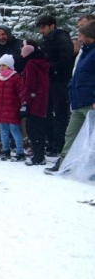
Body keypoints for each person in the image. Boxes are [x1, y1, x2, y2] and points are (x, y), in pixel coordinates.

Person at [46, 21, 95, 174]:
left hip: (91, 103)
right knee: (70, 134)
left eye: (81, 35)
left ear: (89, 36)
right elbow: (77, 75)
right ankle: (64, 163)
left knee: (92, 139)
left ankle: (91, 169)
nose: (78, 38)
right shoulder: (84, 52)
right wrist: (71, 90)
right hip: (78, 102)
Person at [37, 15, 75, 157]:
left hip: (60, 81)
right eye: (40, 28)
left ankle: (59, 144)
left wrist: (49, 67)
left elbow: (66, 60)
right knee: (48, 113)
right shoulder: (47, 39)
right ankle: (51, 142)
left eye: (43, 27)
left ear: (52, 26)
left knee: (60, 113)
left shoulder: (62, 38)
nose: (41, 31)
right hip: (50, 80)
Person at [0, 54, 25, 161]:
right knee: (3, 131)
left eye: (4, 65)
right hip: (0, 110)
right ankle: (6, 151)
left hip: (12, 109)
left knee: (15, 130)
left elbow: (21, 93)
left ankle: (20, 152)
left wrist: (22, 106)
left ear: (9, 66)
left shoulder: (16, 78)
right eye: (0, 65)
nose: (1, 67)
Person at [19, 40, 50, 166]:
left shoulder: (30, 64)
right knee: (39, 128)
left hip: (33, 101)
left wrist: (25, 103)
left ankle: (38, 156)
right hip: (41, 100)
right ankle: (39, 154)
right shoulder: (42, 63)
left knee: (32, 129)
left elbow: (29, 85)